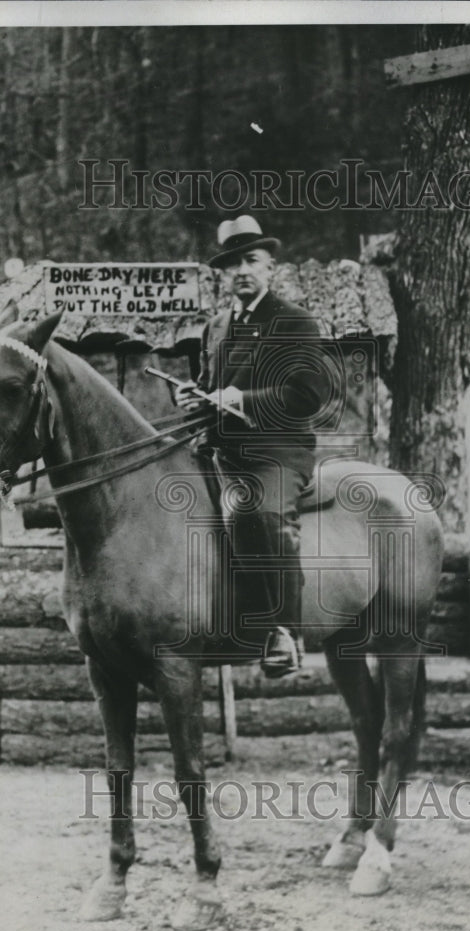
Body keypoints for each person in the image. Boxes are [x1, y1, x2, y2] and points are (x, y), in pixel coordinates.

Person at [175, 215, 323, 677]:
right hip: (221, 450)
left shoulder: (294, 323)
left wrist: (244, 399)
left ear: (270, 267)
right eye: (232, 263)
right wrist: (192, 395)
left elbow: (308, 395)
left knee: (259, 513)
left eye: (251, 260)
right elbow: (210, 387)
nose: (242, 269)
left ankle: (284, 632)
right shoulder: (215, 327)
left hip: (277, 452)